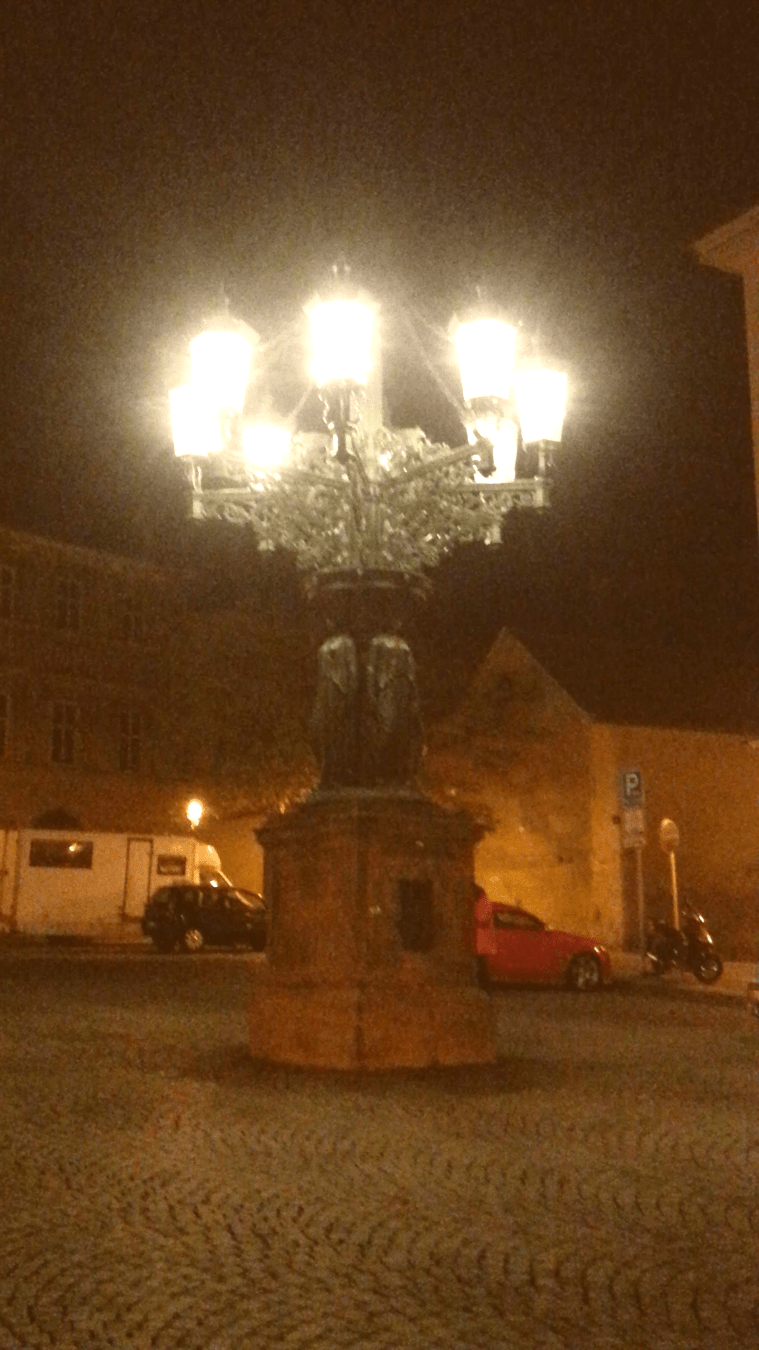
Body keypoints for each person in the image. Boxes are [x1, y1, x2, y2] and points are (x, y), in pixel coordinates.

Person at [472, 882, 497, 990]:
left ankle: (485, 984)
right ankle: (483, 983)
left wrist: (474, 922)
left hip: (483, 937)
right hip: (482, 936)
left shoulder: (483, 903)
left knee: (482, 963)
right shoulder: (482, 902)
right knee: (481, 962)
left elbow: (482, 919)